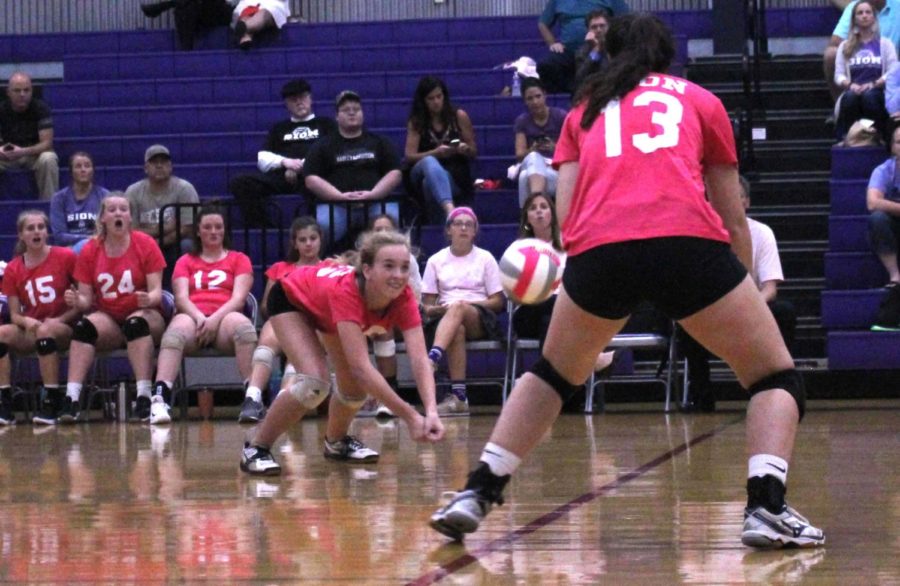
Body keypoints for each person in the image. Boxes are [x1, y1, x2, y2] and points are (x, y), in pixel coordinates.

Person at [430, 14, 825, 550]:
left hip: (602, 251)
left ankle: (476, 492)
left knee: (550, 376)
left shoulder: (583, 110)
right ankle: (766, 507)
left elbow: (565, 218)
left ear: (611, 52)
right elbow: (733, 219)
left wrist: (578, 269)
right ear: (667, 55)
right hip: (687, 245)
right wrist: (740, 289)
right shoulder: (699, 99)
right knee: (774, 377)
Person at [239, 230, 444, 475]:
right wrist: (410, 415)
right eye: (389, 266)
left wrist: (431, 411)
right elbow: (361, 367)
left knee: (354, 388)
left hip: (324, 304)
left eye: (404, 267)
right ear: (367, 270)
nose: (399, 275)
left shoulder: (405, 296)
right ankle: (256, 448)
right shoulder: (347, 291)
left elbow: (420, 359)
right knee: (315, 383)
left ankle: (336, 442)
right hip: (290, 298)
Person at [680, 176, 797, 412]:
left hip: (752, 306)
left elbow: (770, 288)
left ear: (746, 202)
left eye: (735, 196)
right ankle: (701, 396)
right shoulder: (699, 234)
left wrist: (748, 307)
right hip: (710, 308)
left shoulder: (762, 233)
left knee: (784, 312)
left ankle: (778, 390)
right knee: (684, 320)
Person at [61, 193, 167, 423]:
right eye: (112, 210)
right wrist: (76, 300)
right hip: (109, 316)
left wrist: (148, 299)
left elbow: (157, 292)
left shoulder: (145, 243)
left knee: (135, 325)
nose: (118, 213)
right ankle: (72, 398)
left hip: (144, 313)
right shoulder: (91, 249)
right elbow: (86, 302)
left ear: (130, 217)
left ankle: (144, 397)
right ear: (102, 218)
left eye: (123, 209)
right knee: (83, 327)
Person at [149, 206, 256, 425]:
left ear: (225, 230)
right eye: (207, 227)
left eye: (218, 227)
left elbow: (238, 299)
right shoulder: (185, 261)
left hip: (225, 317)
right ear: (198, 231)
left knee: (245, 329)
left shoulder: (239, 259)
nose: (213, 231)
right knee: (174, 334)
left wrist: (214, 319)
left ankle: (252, 398)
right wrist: (200, 318)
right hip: (193, 317)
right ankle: (160, 398)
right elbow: (181, 298)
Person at [238, 215, 323, 423]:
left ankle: (283, 401)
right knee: (268, 339)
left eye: (313, 238)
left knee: (300, 348)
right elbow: (267, 306)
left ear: (320, 240)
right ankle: (252, 398)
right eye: (302, 240)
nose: (308, 244)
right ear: (294, 243)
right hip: (283, 321)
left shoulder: (328, 268)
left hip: (315, 325)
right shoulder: (280, 269)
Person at [421, 207, 504, 416]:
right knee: (456, 329)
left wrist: (466, 304)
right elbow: (427, 307)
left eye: (469, 224)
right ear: (449, 230)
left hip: (479, 316)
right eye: (458, 224)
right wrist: (441, 309)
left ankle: (431, 359)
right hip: (445, 318)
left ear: (475, 231)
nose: (464, 228)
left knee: (458, 307)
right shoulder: (435, 260)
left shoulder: (486, 258)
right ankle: (459, 397)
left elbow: (498, 302)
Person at [0, 211, 78, 425]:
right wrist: (26, 322)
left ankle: (51, 400)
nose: (36, 232)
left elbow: (84, 301)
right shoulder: (14, 268)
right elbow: (15, 314)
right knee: (1, 333)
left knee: (46, 330)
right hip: (34, 327)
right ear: (21, 235)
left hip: (65, 325)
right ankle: (4, 402)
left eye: (41, 227)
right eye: (30, 228)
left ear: (47, 232)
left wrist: (64, 315)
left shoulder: (65, 256)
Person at [229, 79, 336, 228]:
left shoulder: (326, 124)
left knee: (318, 183)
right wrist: (286, 163)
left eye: (303, 97)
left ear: (310, 99)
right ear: (286, 104)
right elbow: (263, 158)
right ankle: (265, 230)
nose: (299, 103)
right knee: (240, 183)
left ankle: (311, 230)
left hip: (314, 175)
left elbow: (332, 151)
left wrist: (300, 167)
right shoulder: (279, 128)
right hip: (283, 176)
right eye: (294, 100)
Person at [304, 90, 402, 252]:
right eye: (346, 110)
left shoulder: (379, 142)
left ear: (362, 113)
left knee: (390, 224)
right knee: (322, 227)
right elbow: (311, 178)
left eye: (356, 109)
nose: (351, 113)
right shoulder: (323, 145)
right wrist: (338, 197)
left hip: (375, 203)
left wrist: (374, 194)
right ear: (336, 116)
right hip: (336, 205)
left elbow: (395, 173)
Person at [357, 213, 423, 419]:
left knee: (382, 328)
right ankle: (363, 394)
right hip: (364, 317)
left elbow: (417, 298)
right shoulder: (362, 261)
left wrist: (429, 411)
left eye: (388, 229)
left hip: (397, 318)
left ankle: (388, 394)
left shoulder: (407, 258)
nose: (383, 234)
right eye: (378, 230)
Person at [125, 144, 199, 287]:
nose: (159, 166)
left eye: (164, 162)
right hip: (143, 243)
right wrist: (166, 227)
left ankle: (187, 289)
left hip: (176, 242)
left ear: (170, 167)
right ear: (146, 168)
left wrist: (158, 241)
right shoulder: (133, 191)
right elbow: (131, 231)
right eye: (154, 162)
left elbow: (187, 228)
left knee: (188, 245)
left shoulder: (184, 188)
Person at [404, 76, 477, 221]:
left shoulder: (459, 116)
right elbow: (409, 156)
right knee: (429, 161)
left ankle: (441, 221)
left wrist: (465, 149)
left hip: (453, 173)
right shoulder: (417, 121)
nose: (436, 102)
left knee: (429, 184)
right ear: (423, 101)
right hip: (420, 170)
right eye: (431, 99)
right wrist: (435, 153)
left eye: (439, 96)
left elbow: (474, 151)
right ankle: (451, 211)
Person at [833, 0, 897, 141]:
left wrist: (874, 84)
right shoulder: (845, 46)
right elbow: (838, 75)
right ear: (854, 19)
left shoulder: (885, 44)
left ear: (874, 17)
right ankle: (850, 137)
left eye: (868, 12)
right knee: (850, 98)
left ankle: (878, 135)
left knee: (870, 97)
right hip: (853, 89)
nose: (864, 16)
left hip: (878, 90)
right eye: (860, 13)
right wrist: (850, 85)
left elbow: (893, 72)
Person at [537, 0, 629, 94]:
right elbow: (542, 23)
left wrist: (611, 40)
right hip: (569, 51)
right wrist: (553, 43)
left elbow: (627, 20)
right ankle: (574, 89)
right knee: (545, 66)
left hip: (601, 50)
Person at [824, 0, 899, 105]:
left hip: (891, 63)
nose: (864, 16)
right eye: (860, 14)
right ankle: (840, 106)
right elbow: (835, 43)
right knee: (831, 53)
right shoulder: (855, 7)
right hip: (857, 65)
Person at [0, 72, 59, 199]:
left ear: (32, 91)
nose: (22, 94)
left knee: (48, 158)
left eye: (26, 90)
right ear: (8, 92)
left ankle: (49, 206)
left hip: (33, 155)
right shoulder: (1, 110)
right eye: (17, 90)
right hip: (6, 157)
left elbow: (47, 143)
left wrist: (22, 151)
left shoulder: (41, 108)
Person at [513, 78, 568, 207]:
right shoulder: (522, 121)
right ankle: (538, 202)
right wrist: (533, 149)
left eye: (538, 96)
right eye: (530, 98)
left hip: (555, 168)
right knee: (533, 157)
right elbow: (520, 154)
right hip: (532, 162)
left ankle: (527, 219)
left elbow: (573, 149)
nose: (535, 102)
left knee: (523, 178)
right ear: (525, 101)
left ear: (545, 95)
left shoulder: (560, 116)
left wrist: (555, 148)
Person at [49, 151, 109, 253]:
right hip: (69, 250)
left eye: (87, 166)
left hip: (98, 247)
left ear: (93, 170)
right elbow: (59, 235)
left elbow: (108, 230)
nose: (83, 170)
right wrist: (88, 238)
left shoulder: (105, 196)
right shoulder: (58, 198)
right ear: (71, 171)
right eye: (78, 166)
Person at [866, 125, 900, 286]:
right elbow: (872, 203)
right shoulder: (883, 170)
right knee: (877, 219)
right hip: (894, 225)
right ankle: (895, 276)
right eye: (899, 142)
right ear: (893, 147)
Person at [139, 0, 233, 51]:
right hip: (198, 10)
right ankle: (186, 50)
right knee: (186, 7)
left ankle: (164, 6)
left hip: (222, 12)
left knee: (185, 4)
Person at [574, 9, 611, 91]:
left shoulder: (617, 46)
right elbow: (580, 78)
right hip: (593, 91)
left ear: (609, 27)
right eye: (594, 27)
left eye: (602, 26)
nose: (599, 30)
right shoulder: (582, 51)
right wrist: (596, 50)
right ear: (588, 30)